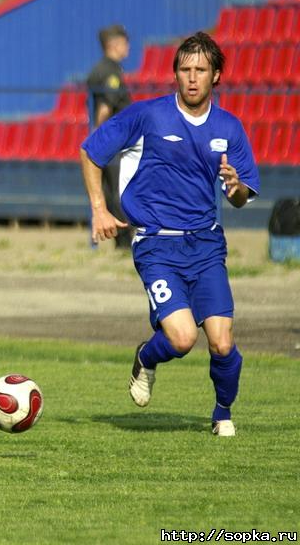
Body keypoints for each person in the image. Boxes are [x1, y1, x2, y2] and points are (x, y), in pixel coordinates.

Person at [80, 32, 260, 437]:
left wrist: (236, 188)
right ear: (175, 74)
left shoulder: (229, 128)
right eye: (185, 69)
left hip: (206, 245)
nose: (192, 78)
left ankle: (222, 413)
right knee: (180, 339)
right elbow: (91, 152)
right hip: (157, 245)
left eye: (201, 70)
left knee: (222, 343)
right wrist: (99, 209)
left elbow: (241, 194)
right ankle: (146, 357)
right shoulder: (148, 116)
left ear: (216, 76)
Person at [86, 24, 134, 249]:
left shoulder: (97, 68)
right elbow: (106, 106)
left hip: (110, 139)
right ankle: (124, 241)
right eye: (125, 42)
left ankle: (120, 240)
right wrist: (99, 135)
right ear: (114, 44)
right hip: (115, 140)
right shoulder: (111, 72)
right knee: (118, 190)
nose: (128, 47)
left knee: (110, 189)